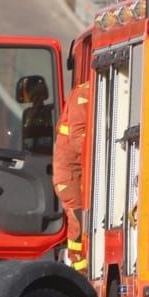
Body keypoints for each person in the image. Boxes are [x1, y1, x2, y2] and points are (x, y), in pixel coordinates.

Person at [52, 76, 93, 267]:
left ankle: (80, 266)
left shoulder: (85, 91)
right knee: (78, 222)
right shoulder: (84, 93)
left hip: (74, 174)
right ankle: (79, 267)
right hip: (70, 176)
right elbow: (79, 140)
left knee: (80, 222)